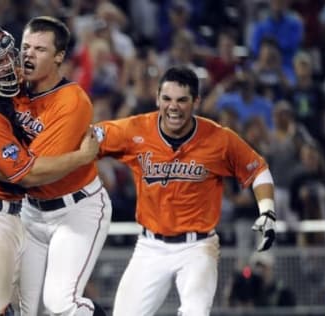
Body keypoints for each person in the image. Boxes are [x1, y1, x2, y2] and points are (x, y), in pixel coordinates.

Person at [0, 17, 112, 316]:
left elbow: (31, 175)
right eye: (25, 47)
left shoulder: (71, 101)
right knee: (23, 309)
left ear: (59, 56)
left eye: (41, 49)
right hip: (28, 211)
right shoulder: (7, 82)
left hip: (74, 208)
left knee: (60, 304)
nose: (28, 55)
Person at [94, 66, 277, 316]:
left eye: (182, 100)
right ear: (158, 98)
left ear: (196, 102)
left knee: (195, 312)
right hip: (150, 245)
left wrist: (267, 210)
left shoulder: (219, 139)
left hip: (197, 247)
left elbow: (258, 170)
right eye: (167, 99)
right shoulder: (136, 130)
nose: (173, 107)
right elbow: (90, 137)